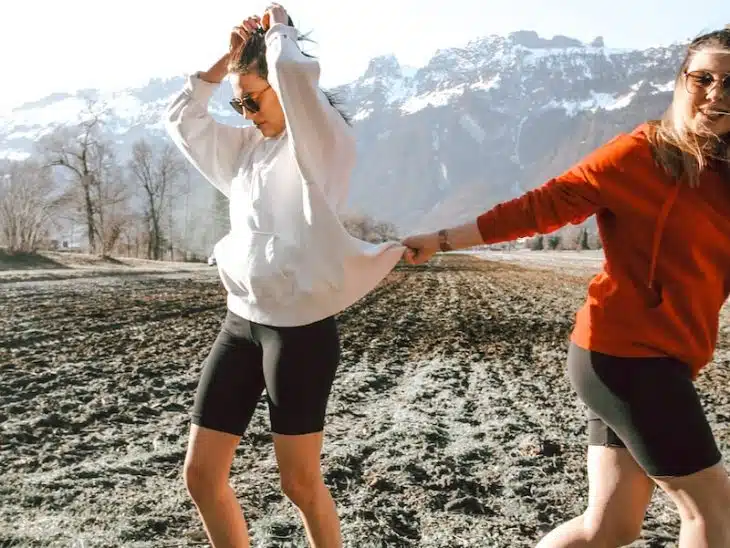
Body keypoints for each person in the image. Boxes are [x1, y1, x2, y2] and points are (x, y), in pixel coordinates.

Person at [403, 26, 730, 548]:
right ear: (680, 81)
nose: (716, 92)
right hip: (626, 356)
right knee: (712, 513)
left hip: (663, 356)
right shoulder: (637, 155)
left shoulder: (722, 172)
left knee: (610, 527)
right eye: (704, 78)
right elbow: (539, 207)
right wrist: (442, 240)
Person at [165, 4, 404, 547]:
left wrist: (280, 33)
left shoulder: (320, 147)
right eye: (238, 102)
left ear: (280, 86)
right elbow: (183, 121)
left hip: (299, 334)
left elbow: (296, 80)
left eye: (253, 99)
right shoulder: (247, 151)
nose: (245, 112)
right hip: (240, 324)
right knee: (201, 477)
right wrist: (226, 62)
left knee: (298, 483)